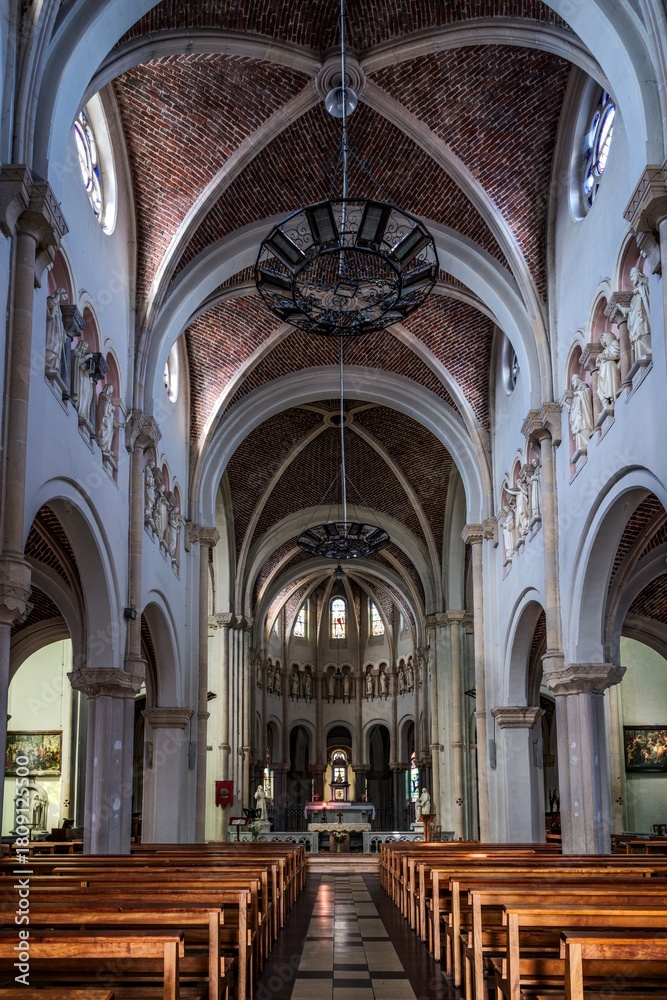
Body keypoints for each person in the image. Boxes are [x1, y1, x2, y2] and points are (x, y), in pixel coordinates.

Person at [618, 266, 651, 361]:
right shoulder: (635, 295)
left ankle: (647, 356)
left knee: (642, 337)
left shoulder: (643, 288)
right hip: (636, 323)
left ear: (637, 275)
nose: (631, 280)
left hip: (643, 321)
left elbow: (646, 299)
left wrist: (640, 290)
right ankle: (640, 360)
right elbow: (631, 310)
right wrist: (622, 309)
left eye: (632, 276)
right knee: (637, 341)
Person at [566, 374, 594, 452]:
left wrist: (579, 393)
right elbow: (574, 408)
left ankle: (586, 445)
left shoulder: (584, 388)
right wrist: (569, 407)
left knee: (583, 428)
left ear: (578, 380)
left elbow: (587, 394)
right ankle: (580, 447)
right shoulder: (577, 392)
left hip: (583, 417)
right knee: (578, 430)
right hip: (577, 418)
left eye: (573, 381)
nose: (572, 383)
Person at [595, 330, 621, 407]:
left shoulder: (614, 343)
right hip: (603, 371)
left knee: (609, 383)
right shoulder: (604, 350)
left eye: (603, 338)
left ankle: (611, 399)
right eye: (601, 340)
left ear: (609, 337)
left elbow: (617, 355)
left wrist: (605, 357)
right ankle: (606, 402)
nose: (602, 341)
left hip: (609, 368)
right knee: (599, 390)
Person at [45, 287, 68, 369]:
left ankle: (52, 365)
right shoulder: (52, 299)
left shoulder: (59, 308)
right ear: (60, 294)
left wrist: (64, 333)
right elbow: (49, 305)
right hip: (51, 329)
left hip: (57, 332)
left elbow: (61, 322)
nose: (64, 299)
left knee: (56, 348)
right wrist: (57, 297)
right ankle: (47, 363)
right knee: (51, 345)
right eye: (64, 296)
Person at [96, 382, 116, 454]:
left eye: (112, 390)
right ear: (107, 388)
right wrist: (111, 407)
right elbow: (104, 405)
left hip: (108, 418)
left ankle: (106, 447)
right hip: (104, 417)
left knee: (109, 430)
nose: (111, 391)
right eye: (111, 389)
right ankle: (102, 444)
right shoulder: (103, 395)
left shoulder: (108, 398)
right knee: (104, 429)